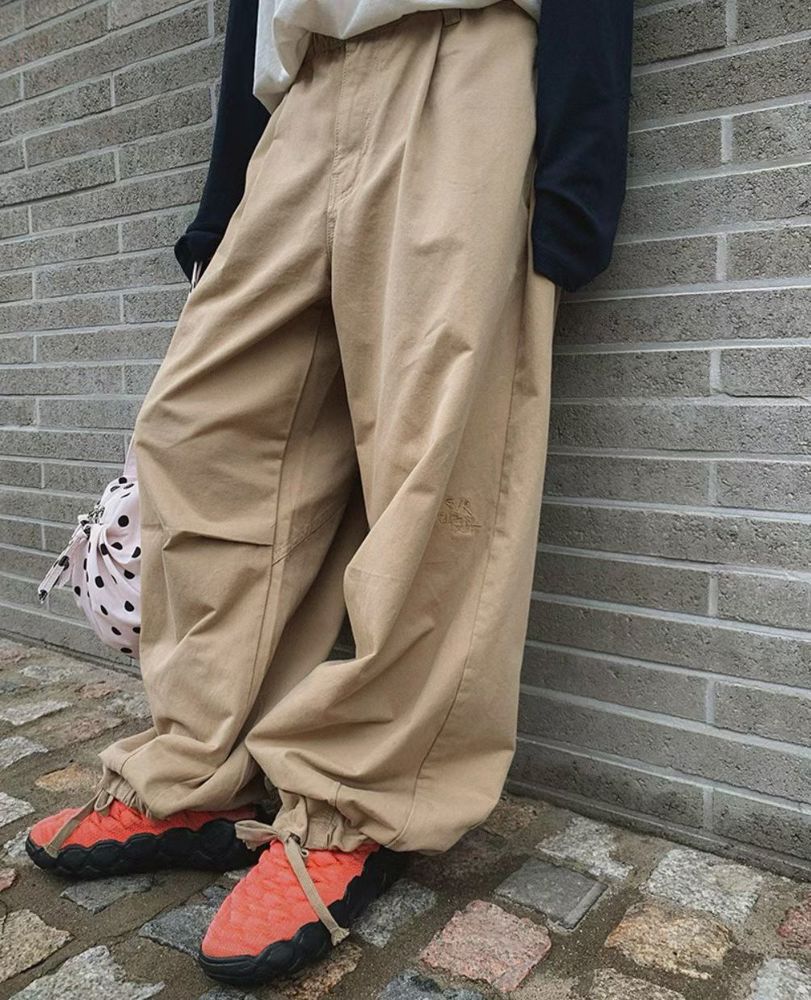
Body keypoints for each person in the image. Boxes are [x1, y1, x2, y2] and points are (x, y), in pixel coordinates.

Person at [26, 0, 634, 987]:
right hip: (301, 94)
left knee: (431, 468)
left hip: (461, 59)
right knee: (200, 435)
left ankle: (353, 809)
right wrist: (225, 194)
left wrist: (581, 153)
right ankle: (200, 769)